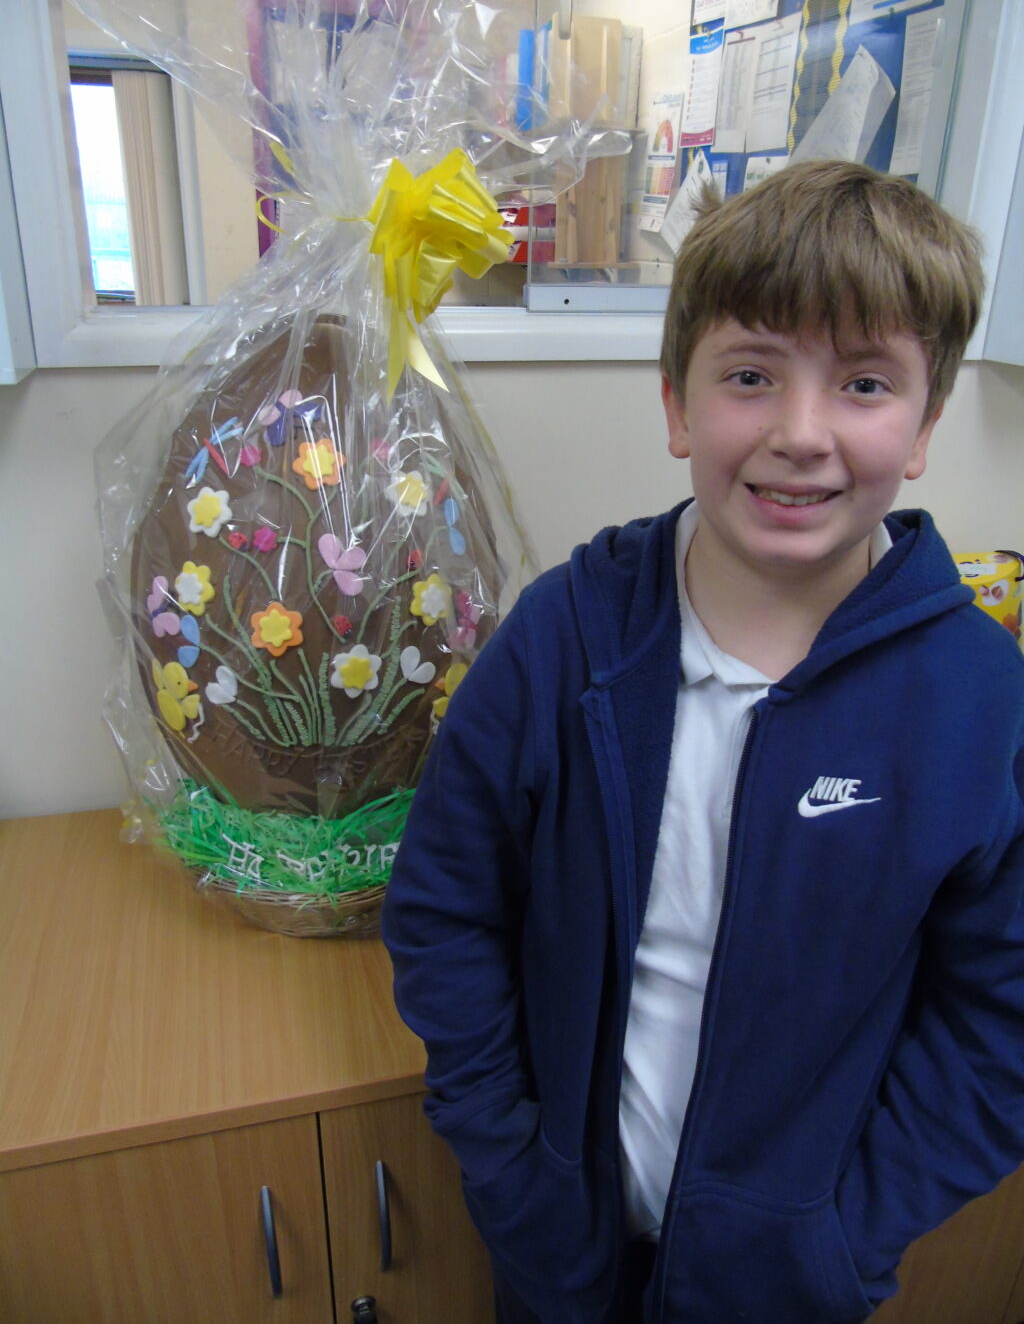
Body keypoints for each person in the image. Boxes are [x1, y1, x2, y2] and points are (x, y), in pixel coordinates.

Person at [381, 159, 1024, 1323]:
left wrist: (847, 1228)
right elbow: (445, 906)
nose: (800, 434)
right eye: (750, 375)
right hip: (556, 1249)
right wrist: (511, 1166)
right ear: (677, 405)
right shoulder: (564, 637)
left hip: (785, 1280)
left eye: (864, 383)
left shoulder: (977, 699)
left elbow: (1000, 1011)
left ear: (925, 424)